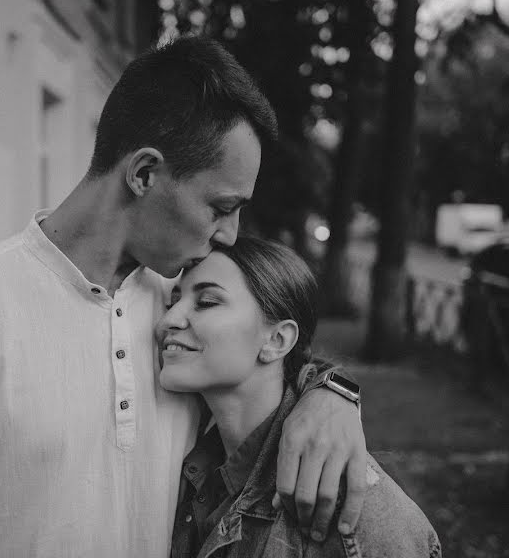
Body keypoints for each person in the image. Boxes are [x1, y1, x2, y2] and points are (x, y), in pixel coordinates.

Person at [0, 36, 368, 557]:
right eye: (220, 206)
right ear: (144, 174)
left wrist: (333, 392)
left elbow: (269, 365)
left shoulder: (183, 310)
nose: (230, 234)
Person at [159, 237, 441, 557]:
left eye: (207, 302)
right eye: (172, 302)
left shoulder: (348, 506)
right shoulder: (191, 467)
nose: (168, 320)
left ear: (277, 340)